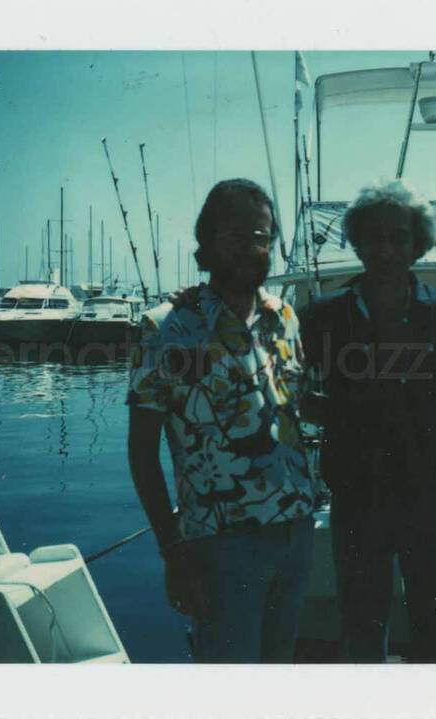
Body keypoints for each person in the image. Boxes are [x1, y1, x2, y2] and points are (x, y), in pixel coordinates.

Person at [300, 179, 436, 663]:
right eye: (374, 236)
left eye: (398, 237)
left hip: (434, 502)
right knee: (361, 631)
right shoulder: (323, 317)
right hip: (357, 500)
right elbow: (281, 382)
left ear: (417, 244)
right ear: (357, 241)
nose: (385, 248)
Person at [127, 178, 315, 663]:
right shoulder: (166, 327)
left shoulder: (286, 318)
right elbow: (142, 452)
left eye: (262, 236)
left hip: (296, 533)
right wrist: (174, 552)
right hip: (223, 546)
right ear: (206, 244)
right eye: (234, 235)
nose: (251, 248)